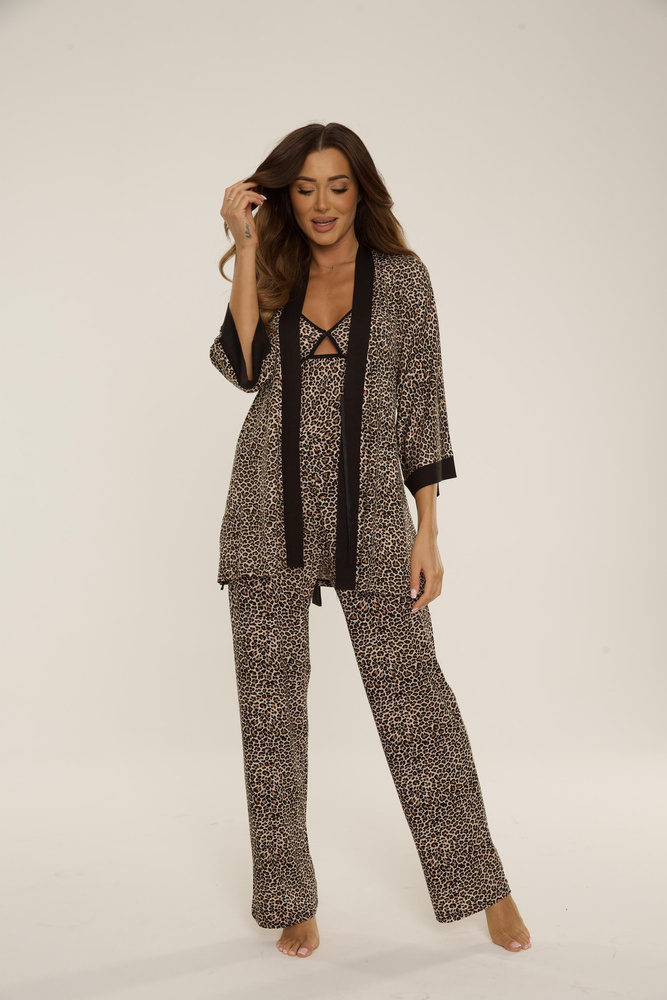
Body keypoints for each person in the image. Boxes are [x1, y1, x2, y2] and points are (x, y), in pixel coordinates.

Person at [209, 122, 531, 959]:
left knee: (414, 699)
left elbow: (421, 402)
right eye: (304, 187)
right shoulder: (274, 269)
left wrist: (428, 528)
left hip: (370, 517)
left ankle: (483, 883)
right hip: (265, 509)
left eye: (337, 185)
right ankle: (289, 897)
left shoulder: (402, 279)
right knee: (270, 716)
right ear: (285, 196)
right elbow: (243, 367)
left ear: (361, 191)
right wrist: (246, 245)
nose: (321, 203)